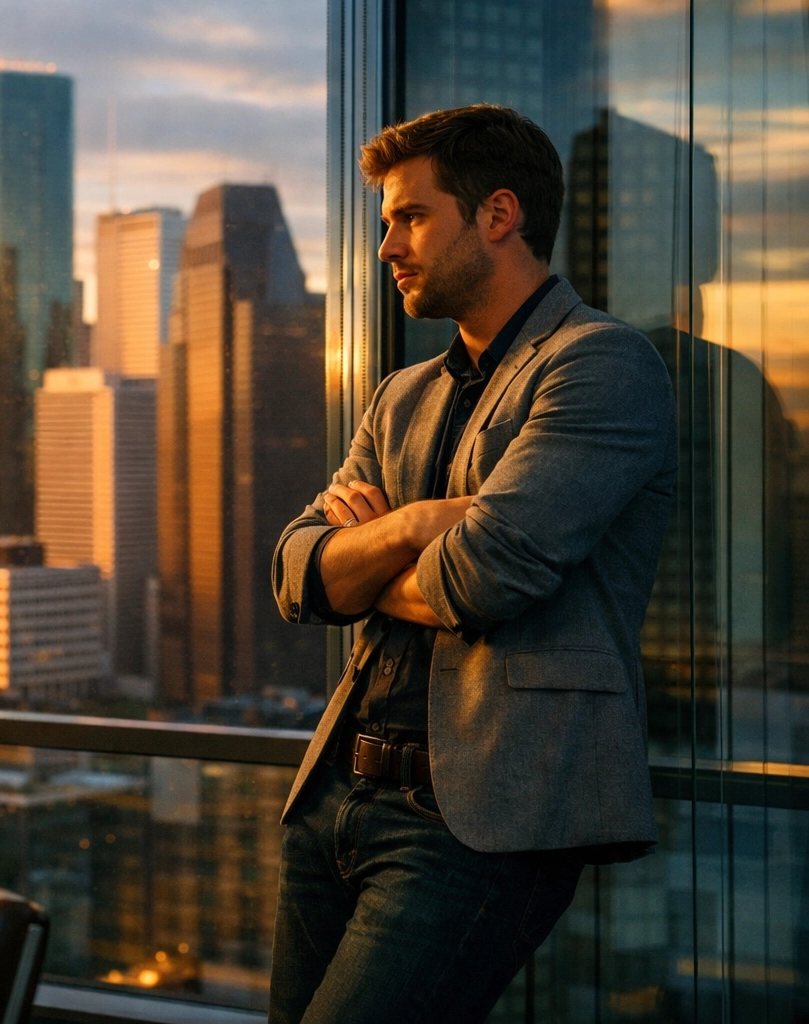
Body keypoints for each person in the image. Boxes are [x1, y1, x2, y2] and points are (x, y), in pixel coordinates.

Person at [267, 104, 676, 1023]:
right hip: (336, 796)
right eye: (384, 223)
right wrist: (414, 527)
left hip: (480, 820)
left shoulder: (601, 365)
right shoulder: (402, 394)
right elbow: (296, 575)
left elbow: (484, 578)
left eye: (409, 217)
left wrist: (367, 565)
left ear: (498, 215)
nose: (386, 247)